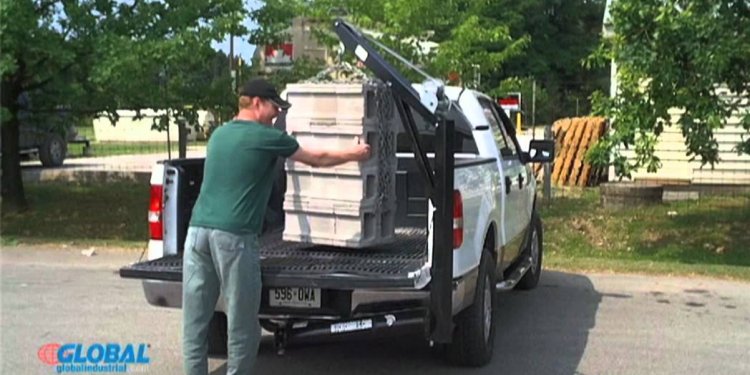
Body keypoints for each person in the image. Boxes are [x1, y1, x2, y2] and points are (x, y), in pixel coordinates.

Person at [182, 78, 371, 374]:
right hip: (233, 238)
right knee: (243, 325)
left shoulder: (218, 134)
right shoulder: (266, 136)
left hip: (196, 235)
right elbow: (316, 159)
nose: (277, 115)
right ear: (257, 102)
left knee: (195, 324)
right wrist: (355, 154)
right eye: (275, 108)